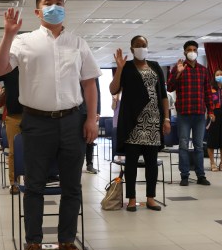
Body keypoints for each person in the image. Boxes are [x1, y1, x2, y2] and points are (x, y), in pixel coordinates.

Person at [0, 0, 100, 250]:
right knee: (35, 184)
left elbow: (89, 84)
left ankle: (66, 240)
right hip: (36, 122)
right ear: (38, 12)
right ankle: (33, 242)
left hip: (72, 121)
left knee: (73, 185)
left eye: (59, 3)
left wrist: (92, 118)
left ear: (65, 8)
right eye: (48, 4)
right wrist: (8, 34)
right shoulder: (24, 41)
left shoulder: (78, 43)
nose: (54, 7)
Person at [111, 36, 170, 211]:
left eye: (143, 45)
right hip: (133, 122)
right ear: (131, 48)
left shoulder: (155, 66)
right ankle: (131, 199)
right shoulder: (126, 67)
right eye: (137, 46)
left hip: (153, 121)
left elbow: (164, 95)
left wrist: (166, 118)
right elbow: (113, 89)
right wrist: (119, 69)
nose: (141, 48)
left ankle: (151, 198)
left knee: (152, 163)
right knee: (131, 164)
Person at [167, 40, 212, 186]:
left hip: (199, 113)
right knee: (183, 145)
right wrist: (178, 74)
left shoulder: (203, 70)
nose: (192, 51)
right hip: (184, 113)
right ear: (185, 52)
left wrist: (211, 110)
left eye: (194, 49)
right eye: (189, 49)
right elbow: (169, 87)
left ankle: (201, 175)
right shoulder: (177, 68)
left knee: (199, 146)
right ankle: (184, 175)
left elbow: (207, 93)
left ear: (197, 51)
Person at [0, 67, 23, 194]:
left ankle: (33, 181)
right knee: (14, 151)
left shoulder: (32, 66)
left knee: (33, 151)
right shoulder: (9, 69)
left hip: (32, 115)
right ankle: (14, 183)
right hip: (13, 116)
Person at [80, 78, 101, 174]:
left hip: (88, 111)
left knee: (90, 139)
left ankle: (89, 164)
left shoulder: (91, 70)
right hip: (74, 110)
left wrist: (97, 112)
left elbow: (97, 93)